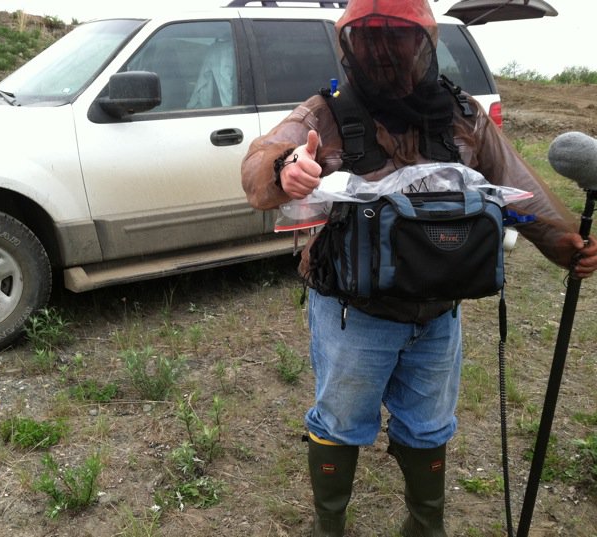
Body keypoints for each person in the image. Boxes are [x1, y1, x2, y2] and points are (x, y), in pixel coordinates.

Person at [240, 1, 597, 536]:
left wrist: (567, 244)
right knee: (340, 422)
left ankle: (425, 527)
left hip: (439, 313)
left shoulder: (463, 113)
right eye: (370, 38)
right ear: (350, 44)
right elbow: (260, 162)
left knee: (429, 427)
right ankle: (328, 527)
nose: (383, 51)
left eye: (397, 38)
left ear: (423, 43)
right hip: (352, 314)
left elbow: (516, 189)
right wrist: (285, 168)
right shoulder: (324, 113)